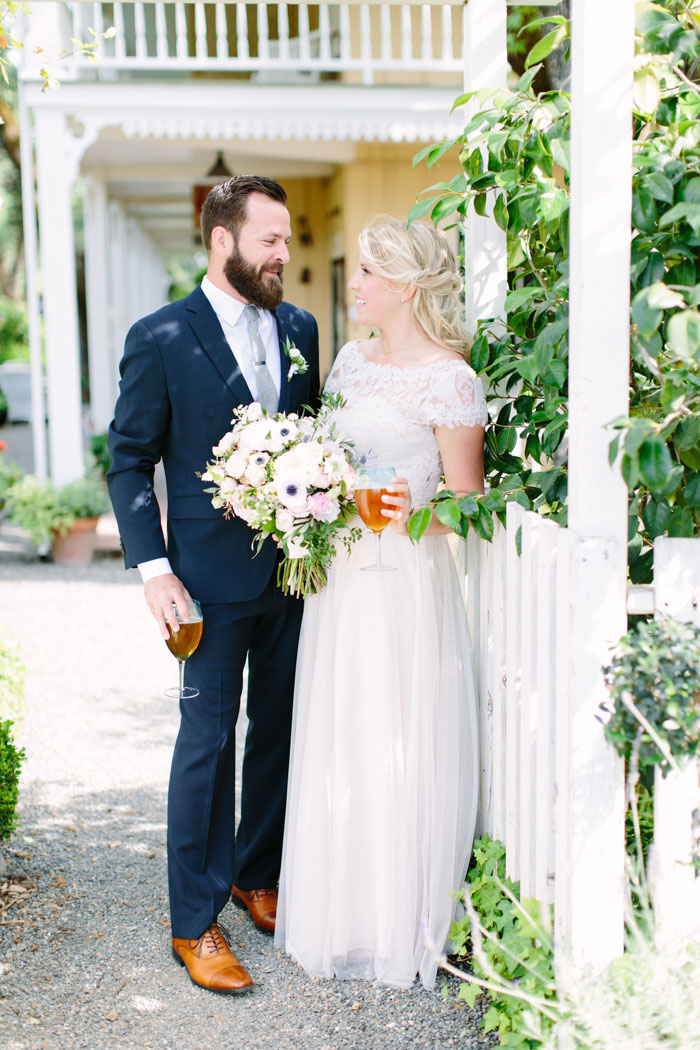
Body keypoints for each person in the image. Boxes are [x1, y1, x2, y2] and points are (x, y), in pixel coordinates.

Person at [107, 175, 320, 994]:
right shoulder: (161, 335)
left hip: (294, 570)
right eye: (270, 240)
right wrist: (154, 571)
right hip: (203, 580)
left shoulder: (296, 325)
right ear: (222, 241)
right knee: (207, 741)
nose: (283, 255)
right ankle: (194, 923)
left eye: (289, 239)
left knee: (279, 725)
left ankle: (253, 871)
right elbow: (130, 458)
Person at [275, 218, 487, 990]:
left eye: (365, 273)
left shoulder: (450, 379)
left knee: (396, 735)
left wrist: (411, 511)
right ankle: (345, 913)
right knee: (341, 734)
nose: (353, 284)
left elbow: (471, 504)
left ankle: (400, 919)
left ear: (403, 285)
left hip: (404, 583)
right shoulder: (351, 365)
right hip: (339, 583)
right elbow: (328, 461)